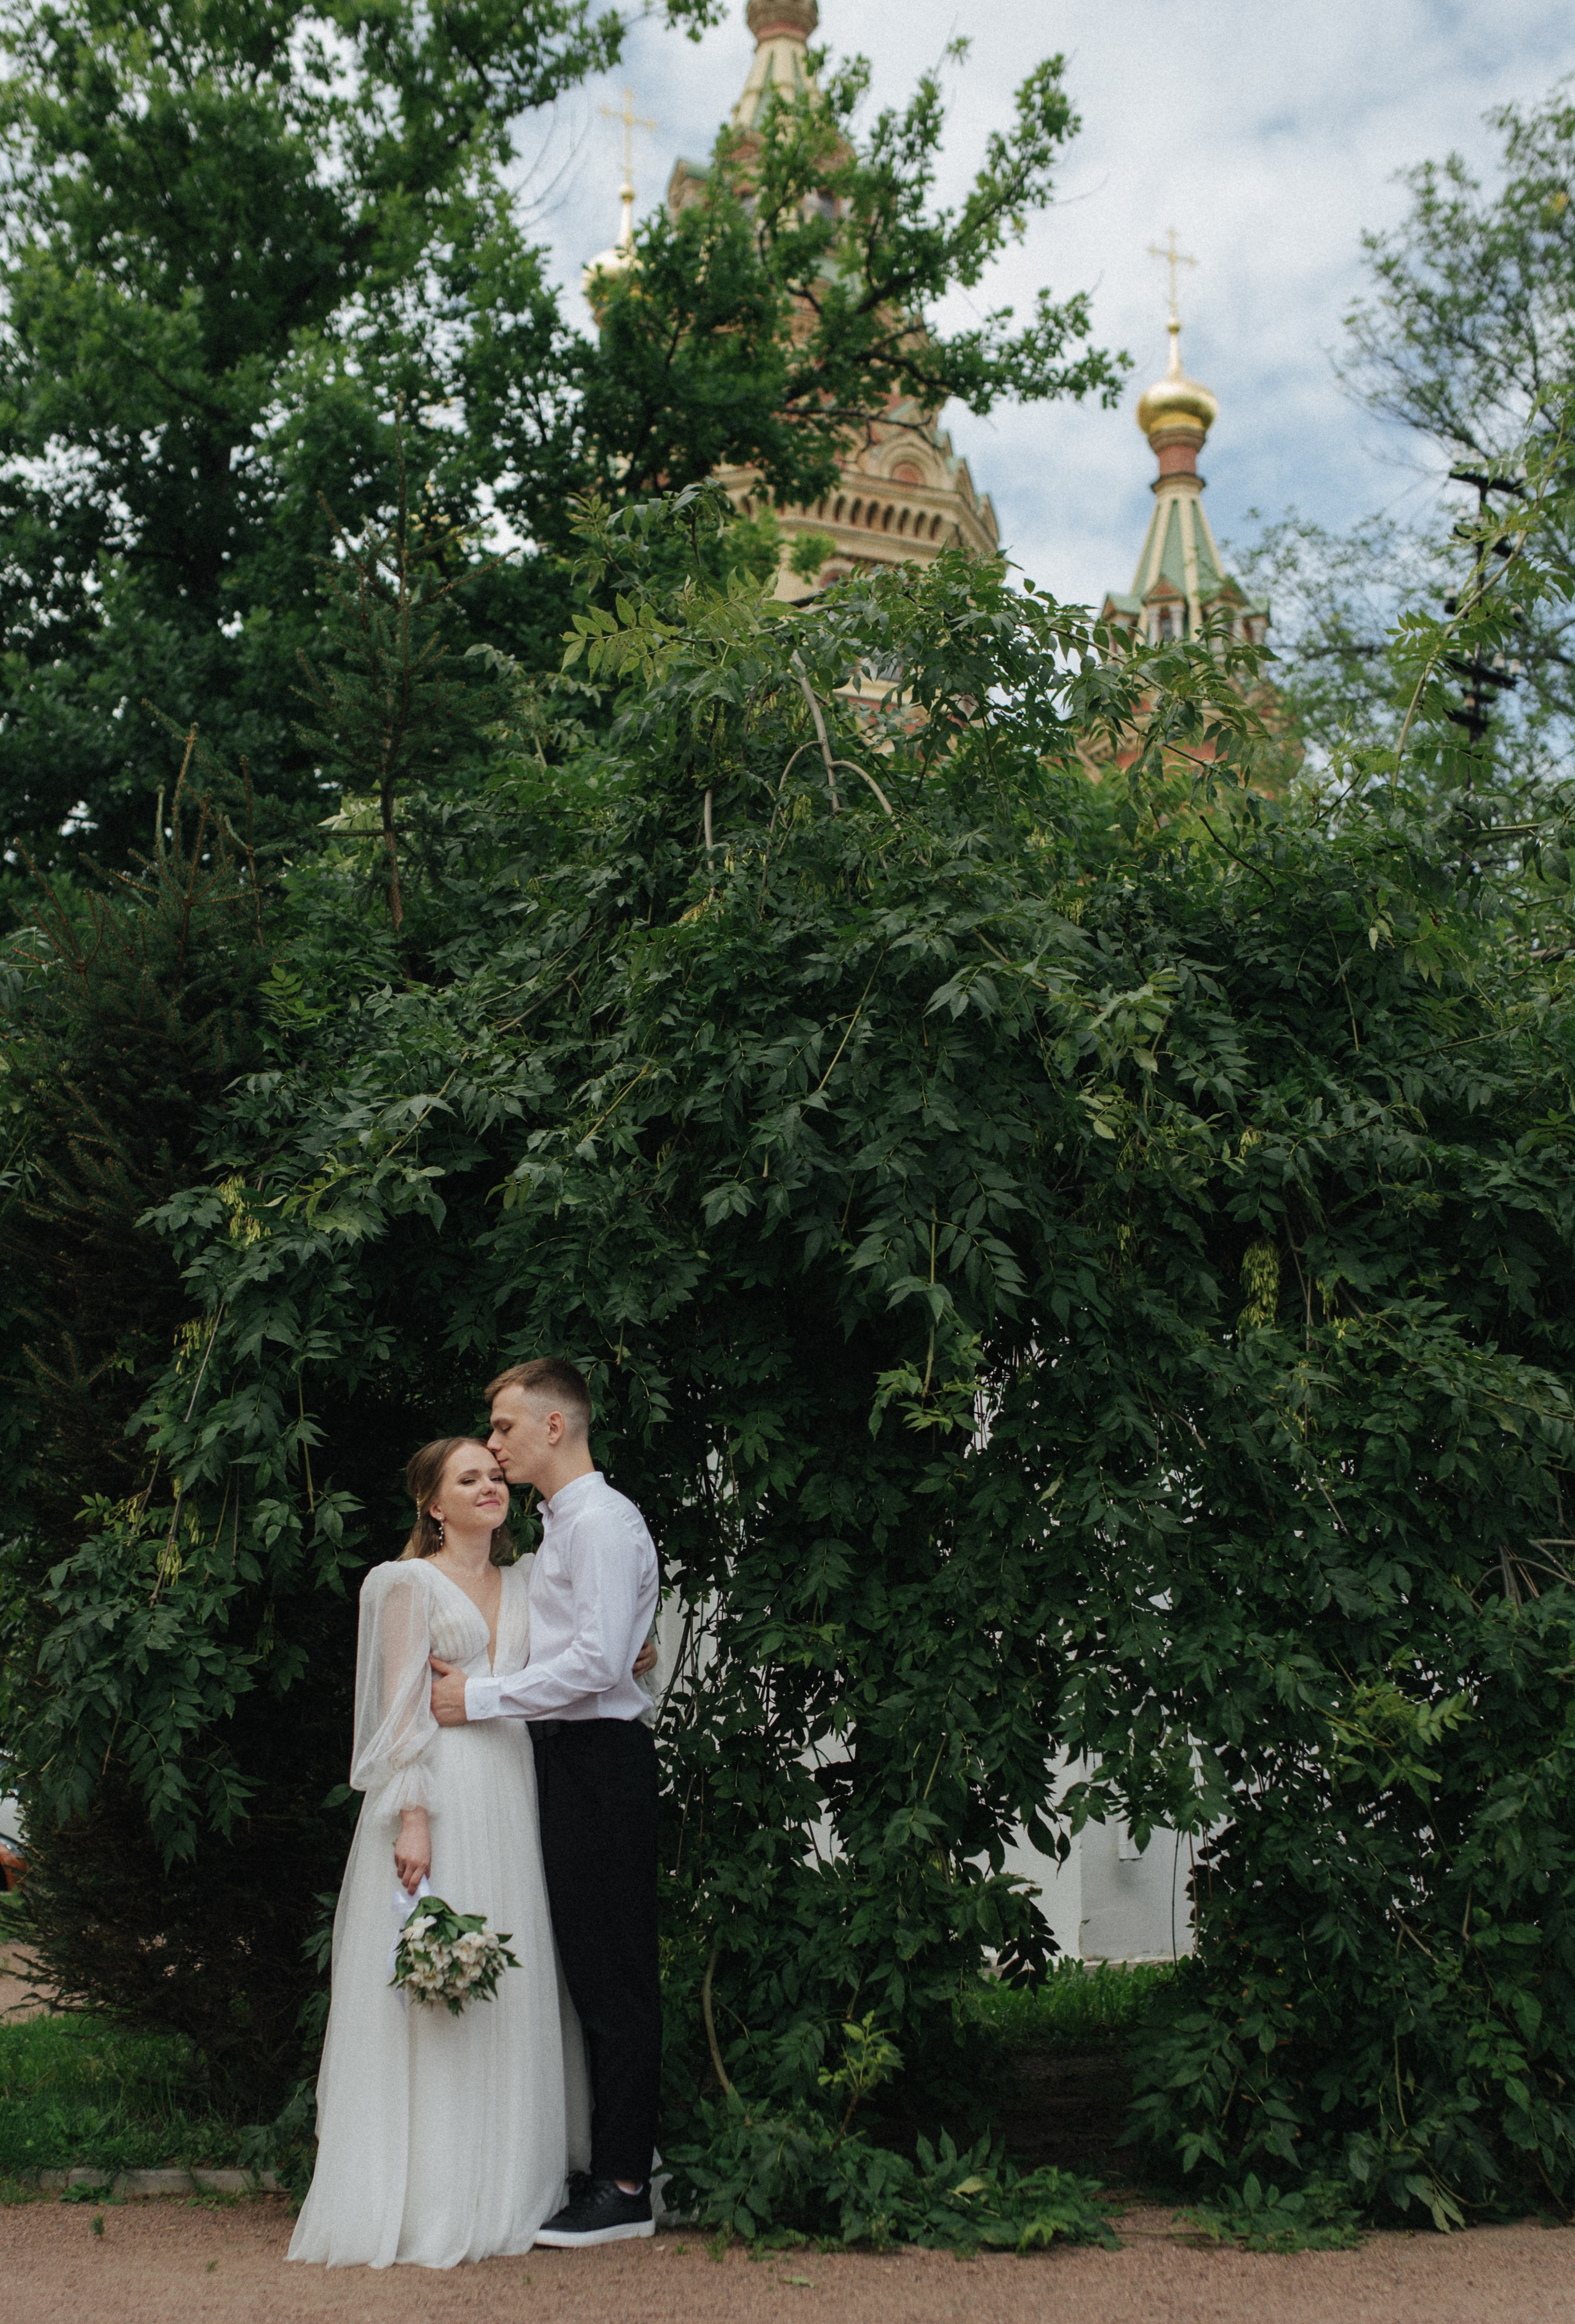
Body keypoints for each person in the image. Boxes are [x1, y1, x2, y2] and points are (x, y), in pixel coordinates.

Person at [287, 1435, 653, 2269]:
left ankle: (513, 2182)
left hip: (518, 1792)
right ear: (432, 1503)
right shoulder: (404, 1584)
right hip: (442, 1794)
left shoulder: (529, 1581)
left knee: (514, 1980)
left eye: (494, 1474)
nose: (490, 1485)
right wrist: (412, 1814)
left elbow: (585, 1650)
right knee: (434, 1981)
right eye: (468, 1477)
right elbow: (398, 1710)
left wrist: (642, 1647)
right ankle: (438, 2189)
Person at [430, 1357, 662, 2249]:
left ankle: (624, 2183)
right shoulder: (572, 1525)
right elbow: (618, 1643)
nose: (494, 1443)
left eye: (504, 1428)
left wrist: (479, 1697)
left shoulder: (598, 1522)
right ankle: (613, 2160)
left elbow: (601, 1666)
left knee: (616, 1973)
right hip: (573, 1759)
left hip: (599, 1759)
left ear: (554, 1427)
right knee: (592, 1969)